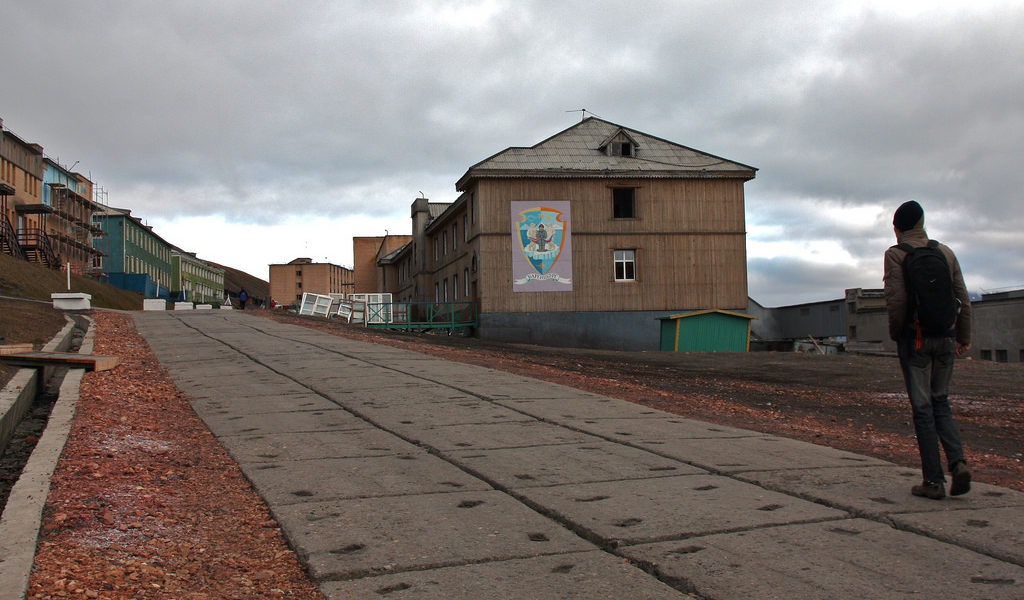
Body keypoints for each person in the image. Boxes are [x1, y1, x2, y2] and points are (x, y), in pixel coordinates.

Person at [883, 200, 972, 499]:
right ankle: (958, 463)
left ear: (897, 229)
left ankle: (933, 482)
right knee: (941, 402)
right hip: (946, 337)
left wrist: (898, 335)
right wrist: (963, 337)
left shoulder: (895, 255)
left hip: (916, 340)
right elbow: (963, 297)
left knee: (922, 410)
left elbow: (896, 301)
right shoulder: (945, 253)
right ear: (922, 223)